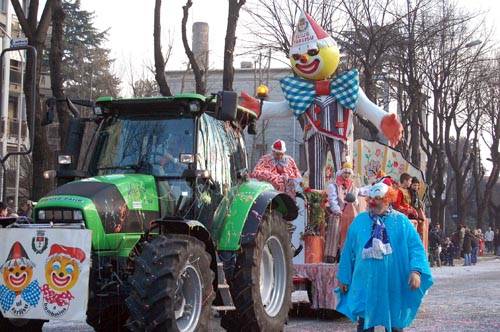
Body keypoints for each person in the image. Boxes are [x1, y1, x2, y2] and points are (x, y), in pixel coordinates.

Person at [336, 182, 432, 332]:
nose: (372, 202)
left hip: (393, 282)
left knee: (394, 323)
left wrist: (416, 271)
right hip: (367, 283)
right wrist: (344, 277)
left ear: (388, 200)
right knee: (365, 322)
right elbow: (348, 251)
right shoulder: (359, 221)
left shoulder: (402, 222)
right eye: (371, 198)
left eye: (378, 198)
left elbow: (416, 248)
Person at [325, 162, 359, 262]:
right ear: (341, 172)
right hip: (337, 215)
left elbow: (355, 199)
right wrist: (337, 210)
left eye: (349, 174)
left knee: (349, 235)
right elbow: (332, 200)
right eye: (345, 173)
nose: (347, 175)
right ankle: (331, 257)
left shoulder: (352, 186)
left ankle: (345, 256)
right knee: (335, 233)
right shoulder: (334, 185)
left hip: (349, 216)